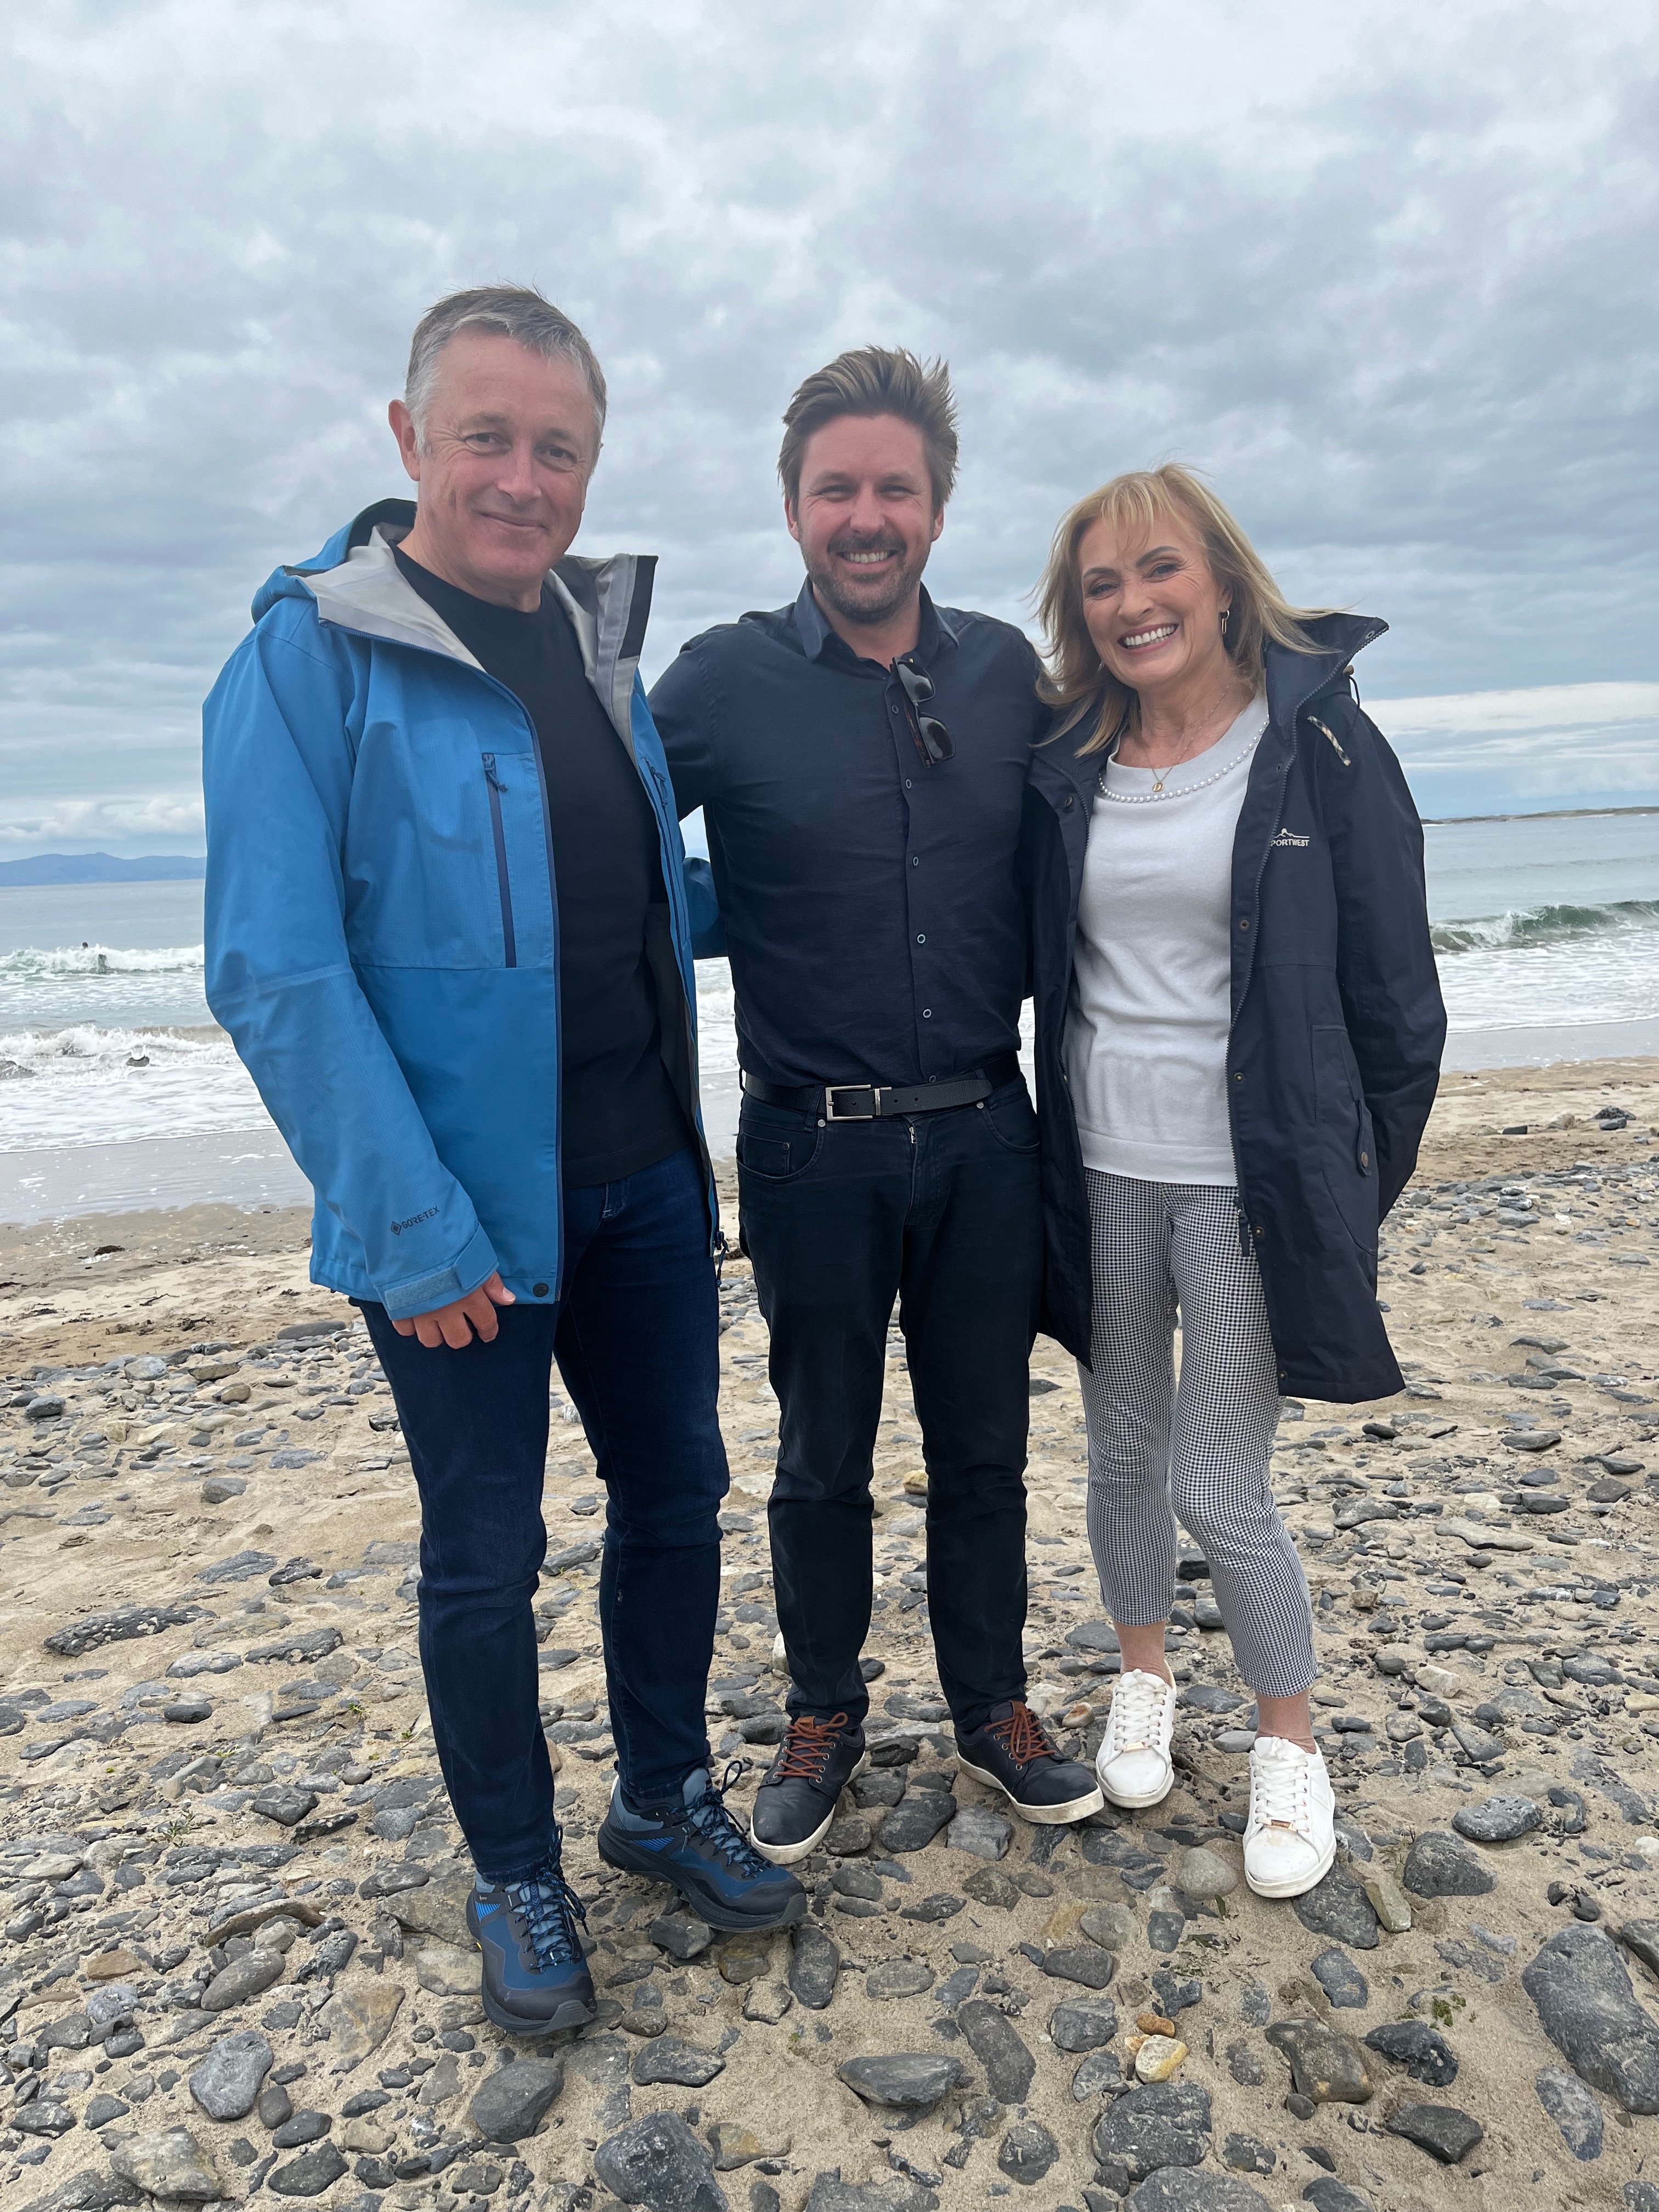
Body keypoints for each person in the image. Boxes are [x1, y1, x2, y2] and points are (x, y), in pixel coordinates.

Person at [202, 285, 805, 2037]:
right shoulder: (310, 657)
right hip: (464, 1224)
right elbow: (274, 965)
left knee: (678, 1502)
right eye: (487, 437)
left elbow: (628, 908)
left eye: (557, 447)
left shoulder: (601, 658)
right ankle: (514, 1864)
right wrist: (408, 1226)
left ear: (590, 462)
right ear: (410, 443)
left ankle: (659, 1795)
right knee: (485, 1556)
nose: (522, 478)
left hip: (645, 1192)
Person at [650, 347, 1102, 1863]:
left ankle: (993, 1706)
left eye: (892, 488)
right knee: (821, 1448)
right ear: (793, 509)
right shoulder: (720, 679)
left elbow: (1128, 811)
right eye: (836, 487)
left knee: (985, 1445)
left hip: (986, 1126)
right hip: (808, 1145)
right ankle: (824, 1710)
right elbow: (612, 834)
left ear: (936, 506)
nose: (866, 514)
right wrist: (730, 919)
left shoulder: (1003, 677)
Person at [1023, 464, 1444, 1898]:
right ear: (1080, 617)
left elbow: (1399, 1000)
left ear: (1217, 577)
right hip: (1099, 1165)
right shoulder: (1069, 754)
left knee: (1221, 1479)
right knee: (1123, 1450)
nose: (1134, 604)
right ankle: (1144, 1676)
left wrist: (1349, 1181)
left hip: (1248, 1179)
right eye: (1103, 585)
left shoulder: (1316, 743)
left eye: (1159, 571)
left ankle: (1289, 1741)